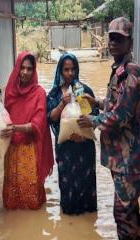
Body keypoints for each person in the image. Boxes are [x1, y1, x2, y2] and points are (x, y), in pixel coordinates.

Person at [78, 17, 140, 240]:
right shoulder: (119, 70)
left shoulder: (131, 74)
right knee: (129, 207)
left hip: (128, 158)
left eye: (119, 39)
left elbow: (120, 116)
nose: (114, 43)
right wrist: (97, 102)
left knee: (121, 214)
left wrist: (93, 120)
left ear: (130, 43)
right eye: (111, 38)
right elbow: (115, 105)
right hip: (120, 155)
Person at [1, 51, 54, 210]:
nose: (25, 72)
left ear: (34, 70)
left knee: (30, 194)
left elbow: (38, 124)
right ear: (17, 68)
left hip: (29, 148)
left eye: (29, 69)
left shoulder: (39, 93)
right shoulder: (10, 91)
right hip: (11, 148)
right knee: (12, 198)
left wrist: (16, 128)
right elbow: (4, 116)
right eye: (22, 68)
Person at [46, 53, 98, 215]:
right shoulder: (55, 94)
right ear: (60, 71)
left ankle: (89, 218)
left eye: (73, 69)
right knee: (67, 186)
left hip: (85, 148)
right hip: (65, 150)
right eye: (66, 69)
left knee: (86, 185)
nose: (70, 73)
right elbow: (50, 118)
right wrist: (63, 103)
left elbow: (95, 116)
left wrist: (83, 136)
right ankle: (69, 214)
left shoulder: (85, 91)